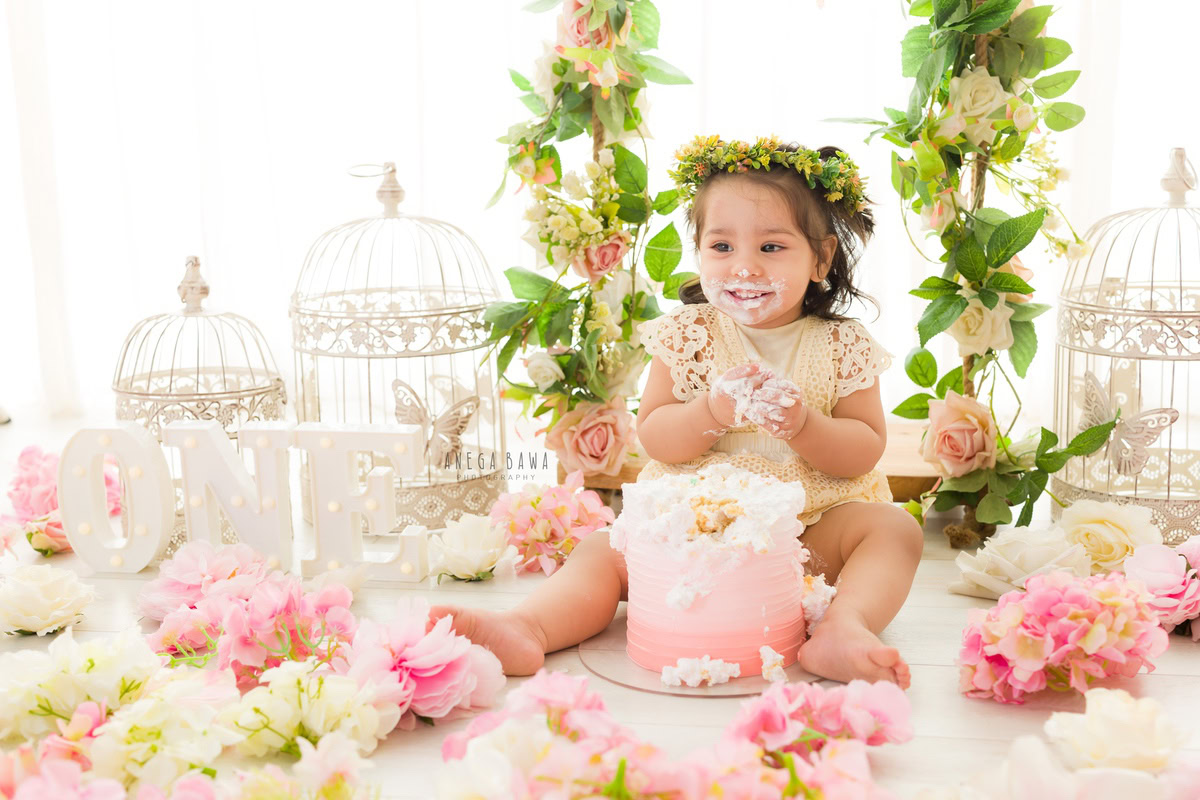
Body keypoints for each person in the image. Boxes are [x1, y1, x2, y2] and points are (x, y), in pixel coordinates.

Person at [435, 135, 924, 688]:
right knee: (603, 549)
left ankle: (843, 625)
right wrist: (709, 412)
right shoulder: (688, 335)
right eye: (721, 247)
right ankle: (530, 627)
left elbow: (864, 449)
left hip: (802, 532)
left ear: (822, 259)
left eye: (771, 248)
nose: (744, 267)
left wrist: (804, 425)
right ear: (698, 251)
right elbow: (658, 438)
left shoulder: (842, 345)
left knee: (893, 530)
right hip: (688, 527)